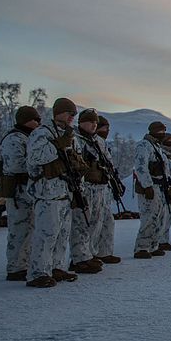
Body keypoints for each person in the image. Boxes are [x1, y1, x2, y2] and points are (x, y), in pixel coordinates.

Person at [25, 97, 82, 287]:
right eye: (69, 113)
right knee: (46, 233)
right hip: (47, 192)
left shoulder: (69, 135)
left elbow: (75, 161)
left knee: (62, 233)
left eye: (74, 114)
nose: (73, 117)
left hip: (65, 191)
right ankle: (38, 272)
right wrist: (58, 145)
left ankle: (56, 267)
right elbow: (35, 157)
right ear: (58, 113)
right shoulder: (41, 133)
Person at [0, 105, 40, 281]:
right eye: (35, 119)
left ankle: (25, 263)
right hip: (18, 190)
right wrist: (39, 165)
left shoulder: (28, 137)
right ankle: (15, 267)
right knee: (19, 228)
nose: (39, 122)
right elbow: (15, 165)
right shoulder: (14, 138)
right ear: (25, 120)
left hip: (29, 190)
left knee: (30, 227)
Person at [67, 108, 106, 274]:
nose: (94, 125)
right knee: (81, 223)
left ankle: (90, 253)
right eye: (91, 122)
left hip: (97, 187)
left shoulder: (95, 141)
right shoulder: (76, 139)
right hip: (85, 186)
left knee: (95, 222)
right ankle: (80, 258)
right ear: (81, 123)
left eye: (96, 122)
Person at [132, 121, 171, 259]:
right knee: (149, 217)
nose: (162, 134)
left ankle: (153, 245)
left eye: (163, 131)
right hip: (151, 186)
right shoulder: (144, 145)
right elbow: (141, 167)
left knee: (160, 217)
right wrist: (147, 185)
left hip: (161, 186)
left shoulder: (157, 147)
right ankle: (142, 247)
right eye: (159, 131)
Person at [91, 114, 121, 263]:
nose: (107, 130)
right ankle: (87, 255)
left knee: (108, 221)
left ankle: (104, 252)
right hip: (92, 188)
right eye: (105, 128)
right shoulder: (88, 142)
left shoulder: (100, 143)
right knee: (92, 223)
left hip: (104, 188)